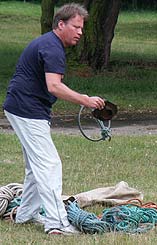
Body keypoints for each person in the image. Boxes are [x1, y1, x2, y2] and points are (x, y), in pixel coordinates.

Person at [2, 3, 105, 235]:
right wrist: (85, 100)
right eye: (76, 27)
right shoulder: (52, 48)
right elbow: (54, 86)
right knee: (49, 165)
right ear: (61, 24)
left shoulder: (49, 43)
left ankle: (26, 214)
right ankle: (57, 223)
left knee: (35, 167)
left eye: (82, 28)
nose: (80, 32)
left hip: (22, 107)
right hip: (26, 110)